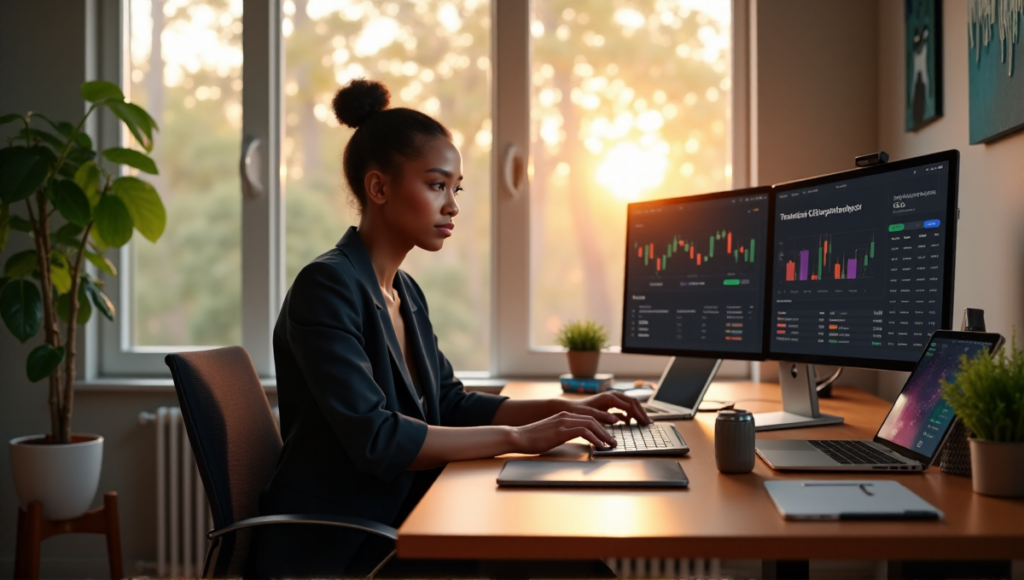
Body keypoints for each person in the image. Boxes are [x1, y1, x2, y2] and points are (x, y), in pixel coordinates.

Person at [248, 79, 650, 578]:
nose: (453, 205)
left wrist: (563, 409)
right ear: (379, 188)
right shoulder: (326, 286)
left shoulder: (405, 292)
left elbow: (451, 403)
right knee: (558, 562)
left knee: (564, 556)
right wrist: (520, 437)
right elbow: (376, 440)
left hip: (408, 517)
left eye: (455, 189)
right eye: (437, 185)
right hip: (347, 541)